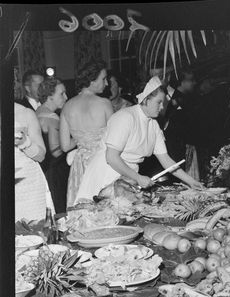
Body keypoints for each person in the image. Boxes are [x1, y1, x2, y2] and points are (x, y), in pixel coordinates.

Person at [75, 76, 203, 203]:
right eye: (159, 102)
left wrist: (191, 181)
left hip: (127, 177)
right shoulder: (125, 118)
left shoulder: (153, 125)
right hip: (106, 174)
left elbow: (166, 160)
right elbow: (111, 157)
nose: (162, 107)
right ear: (146, 99)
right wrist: (137, 177)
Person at [59, 59, 114, 208]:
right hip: (102, 163)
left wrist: (82, 139)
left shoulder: (67, 106)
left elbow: (64, 146)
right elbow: (115, 139)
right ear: (91, 80)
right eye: (103, 79)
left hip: (80, 166)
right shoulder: (104, 104)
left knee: (82, 210)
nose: (107, 83)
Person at [36, 77, 69, 214]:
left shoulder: (37, 112)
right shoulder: (52, 118)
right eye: (61, 94)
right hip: (55, 172)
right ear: (49, 97)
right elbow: (56, 151)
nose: (66, 97)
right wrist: (80, 140)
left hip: (44, 172)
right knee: (59, 211)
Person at [14, 102, 48, 222]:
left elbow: (41, 156)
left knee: (32, 232)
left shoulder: (25, 113)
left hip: (28, 185)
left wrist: (24, 143)